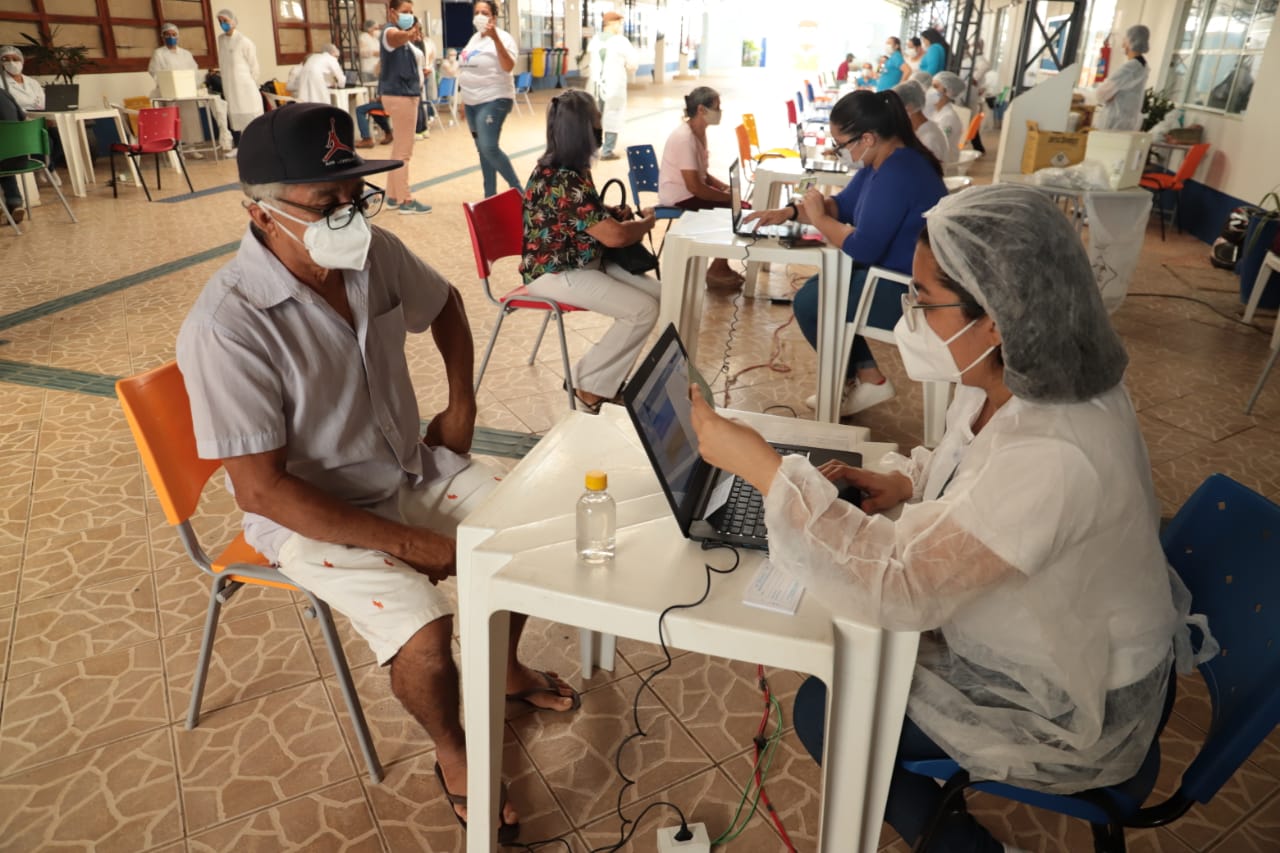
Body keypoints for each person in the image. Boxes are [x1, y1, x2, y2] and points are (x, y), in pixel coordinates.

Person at [689, 183, 1206, 853]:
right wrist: (905, 478)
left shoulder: (1059, 448)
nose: (910, 320)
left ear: (995, 317)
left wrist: (763, 467)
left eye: (923, 301)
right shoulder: (1021, 373)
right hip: (1051, 632)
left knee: (835, 708)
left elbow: (901, 589)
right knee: (846, 673)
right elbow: (973, 460)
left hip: (1068, 694)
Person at [177, 103, 581, 843]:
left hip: (406, 465)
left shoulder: (372, 253)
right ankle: (453, 750)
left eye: (354, 197)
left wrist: (461, 403)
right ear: (261, 213)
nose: (348, 217)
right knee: (426, 635)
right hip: (309, 509)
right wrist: (404, 542)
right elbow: (262, 489)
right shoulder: (226, 326)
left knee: (521, 531)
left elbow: (449, 304)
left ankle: (508, 667)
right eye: (326, 204)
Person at [745, 90, 946, 416]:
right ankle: (867, 377)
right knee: (813, 293)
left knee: (813, 302)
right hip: (892, 277)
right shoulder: (880, 162)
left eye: (841, 144)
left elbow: (864, 245)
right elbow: (843, 207)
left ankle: (865, 378)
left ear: (866, 138)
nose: (839, 152)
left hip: (911, 293)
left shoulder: (899, 173)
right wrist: (791, 213)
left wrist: (821, 220)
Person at [520, 90, 660, 411]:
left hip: (583, 261)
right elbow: (614, 238)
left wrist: (609, 211)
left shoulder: (570, 170)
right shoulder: (563, 180)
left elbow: (584, 216)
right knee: (642, 311)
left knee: (660, 297)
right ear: (580, 130)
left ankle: (601, 381)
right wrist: (646, 224)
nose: (601, 128)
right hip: (556, 272)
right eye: (596, 122)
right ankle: (588, 384)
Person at [657, 86, 743, 290]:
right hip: (679, 195)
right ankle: (717, 268)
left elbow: (702, 175)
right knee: (735, 208)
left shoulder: (698, 133)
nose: (720, 111)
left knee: (736, 202)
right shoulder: (685, 137)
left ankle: (720, 264)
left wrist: (725, 188)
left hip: (689, 190)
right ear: (702, 110)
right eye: (717, 107)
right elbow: (694, 187)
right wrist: (727, 199)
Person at [458, 0, 523, 198]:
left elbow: (508, 66)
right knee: (482, 150)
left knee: (489, 147)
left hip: (495, 98)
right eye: (476, 12)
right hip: (471, 102)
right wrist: (463, 99)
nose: (479, 15)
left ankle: (520, 192)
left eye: (484, 12)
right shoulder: (474, 39)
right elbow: (466, 69)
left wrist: (495, 39)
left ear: (493, 17)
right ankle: (490, 196)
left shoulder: (504, 38)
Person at [379, 0, 431, 214]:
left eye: (411, 11)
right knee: (404, 152)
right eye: (404, 12)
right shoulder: (391, 32)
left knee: (398, 149)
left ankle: (392, 196)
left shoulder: (405, 37)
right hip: (401, 96)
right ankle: (405, 201)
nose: (409, 15)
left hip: (404, 93)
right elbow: (394, 38)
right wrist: (408, 35)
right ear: (392, 13)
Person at [149, 23, 234, 153]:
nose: (171, 37)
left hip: (186, 91)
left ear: (177, 36)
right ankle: (173, 149)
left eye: (173, 35)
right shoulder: (159, 53)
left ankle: (192, 147)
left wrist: (195, 83)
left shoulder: (185, 54)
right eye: (167, 35)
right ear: (163, 36)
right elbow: (155, 72)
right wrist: (168, 81)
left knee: (190, 120)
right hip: (169, 92)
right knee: (172, 120)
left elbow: (194, 71)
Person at [585, 10, 637, 160]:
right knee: (613, 115)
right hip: (614, 86)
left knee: (595, 116)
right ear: (613, 23)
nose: (621, 26)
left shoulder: (595, 40)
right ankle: (607, 151)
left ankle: (593, 149)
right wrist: (628, 66)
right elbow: (633, 63)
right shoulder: (620, 41)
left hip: (595, 85)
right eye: (620, 23)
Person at [214, 9, 263, 154]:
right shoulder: (221, 40)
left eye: (225, 21)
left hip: (245, 86)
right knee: (236, 115)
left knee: (249, 114)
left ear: (233, 21)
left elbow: (254, 66)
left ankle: (256, 146)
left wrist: (249, 83)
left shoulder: (244, 41)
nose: (223, 24)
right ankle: (242, 147)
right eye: (220, 21)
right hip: (230, 85)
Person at [1095, 25, 1150, 131]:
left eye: (1125, 39)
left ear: (1130, 42)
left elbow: (1101, 94)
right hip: (1127, 122)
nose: (1122, 44)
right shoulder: (1142, 65)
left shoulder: (1130, 67)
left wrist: (1110, 94)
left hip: (1115, 121)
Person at [894, 81, 949, 165]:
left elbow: (927, 173)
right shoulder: (920, 130)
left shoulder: (930, 139)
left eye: (896, 110)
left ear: (909, 107)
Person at [0, 85, 26, 224]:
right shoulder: (4, 93)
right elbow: (22, 117)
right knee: (5, 159)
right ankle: (15, 202)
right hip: (20, 156)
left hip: (4, 157)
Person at [929, 71, 967, 160]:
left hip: (945, 167)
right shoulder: (936, 112)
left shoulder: (948, 118)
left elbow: (938, 145)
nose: (930, 90)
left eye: (935, 87)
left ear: (948, 92)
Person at [0, 45, 44, 112]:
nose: (11, 63)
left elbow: (43, 102)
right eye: (6, 60)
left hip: (38, 117)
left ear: (22, 61)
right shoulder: (1, 82)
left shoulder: (33, 82)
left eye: (15, 59)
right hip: (15, 120)